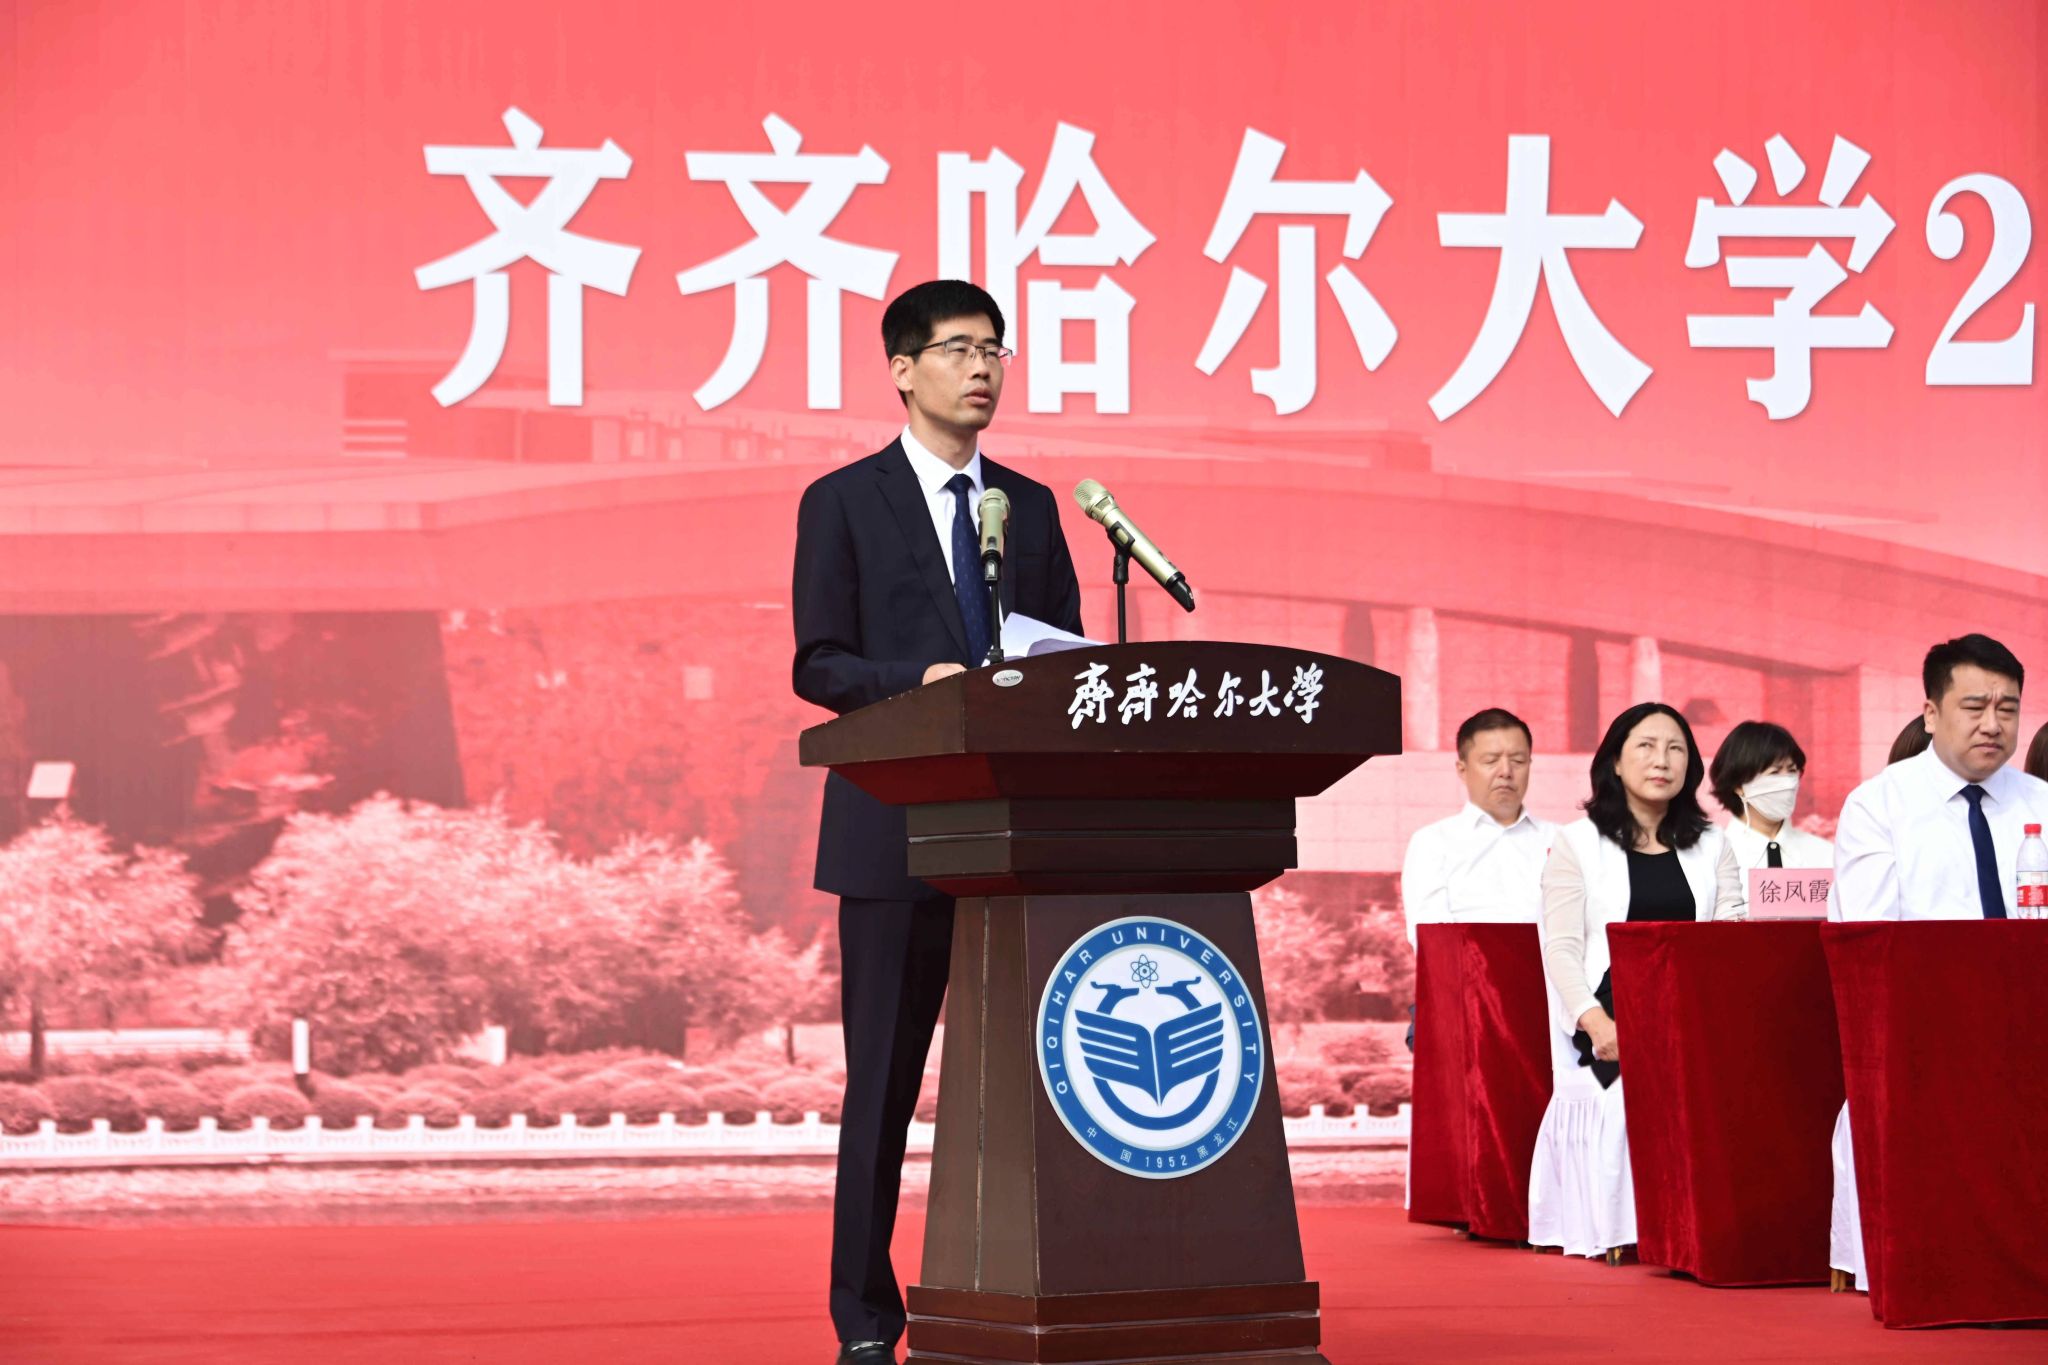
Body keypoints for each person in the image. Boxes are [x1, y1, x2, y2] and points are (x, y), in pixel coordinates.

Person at [792, 280, 1084, 1364]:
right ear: (902, 370)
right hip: (893, 833)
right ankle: (866, 1323)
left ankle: (1031, 1294)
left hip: (1017, 840)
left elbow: (1062, 655)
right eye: (958, 348)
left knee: (1035, 1089)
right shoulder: (842, 501)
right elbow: (818, 663)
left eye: (994, 349)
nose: (981, 368)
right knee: (881, 1089)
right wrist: (918, 681)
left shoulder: (1033, 507)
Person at [1826, 634, 2048, 1292]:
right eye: (1974, 706)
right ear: (1930, 712)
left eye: (2008, 708)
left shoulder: (2041, 802)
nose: (1992, 724)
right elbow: (1870, 944)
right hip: (1927, 1039)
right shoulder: (1879, 805)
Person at [1528, 702, 1726, 1259]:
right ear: (1615, 761)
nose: (1662, 760)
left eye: (1676, 748)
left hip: (1695, 1010)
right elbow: (1562, 948)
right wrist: (1596, 1023)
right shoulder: (1578, 842)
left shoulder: (1713, 843)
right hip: (1612, 1009)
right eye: (1646, 746)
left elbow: (1730, 936)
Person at [1400, 707, 1553, 950]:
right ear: (1462, 770)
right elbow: (1432, 938)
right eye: (1491, 761)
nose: (1506, 772)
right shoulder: (1433, 842)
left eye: (1518, 761)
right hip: (1469, 974)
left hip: (1552, 975)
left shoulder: (1561, 840)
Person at [1707, 720, 1833, 919]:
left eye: (1792, 770)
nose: (1788, 782)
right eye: (1775, 772)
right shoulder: (1712, 857)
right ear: (1739, 784)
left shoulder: (1827, 855)